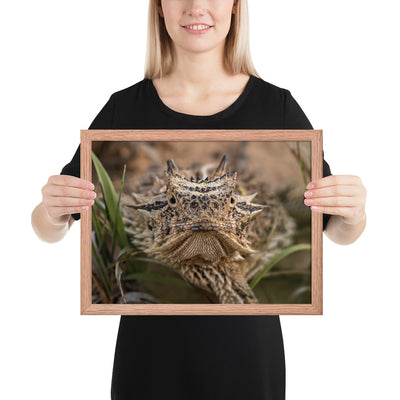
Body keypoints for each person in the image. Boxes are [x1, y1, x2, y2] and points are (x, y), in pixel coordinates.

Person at [31, 0, 367, 398]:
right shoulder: (125, 108)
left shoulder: (276, 107)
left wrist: (353, 211)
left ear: (236, 7)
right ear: (158, 8)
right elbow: (50, 225)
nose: (196, 7)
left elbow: (336, 230)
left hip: (248, 357)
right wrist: (52, 212)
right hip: (149, 358)